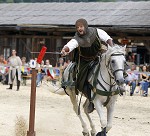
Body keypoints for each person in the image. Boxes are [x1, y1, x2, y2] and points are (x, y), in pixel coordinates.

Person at [61, 18, 114, 113]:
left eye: (81, 26)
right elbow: (70, 45)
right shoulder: (77, 38)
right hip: (84, 61)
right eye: (77, 27)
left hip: (98, 57)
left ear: (85, 26)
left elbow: (107, 38)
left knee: (113, 66)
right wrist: (65, 50)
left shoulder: (97, 32)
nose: (79, 29)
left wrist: (112, 48)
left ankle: (118, 86)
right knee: (81, 78)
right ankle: (90, 100)